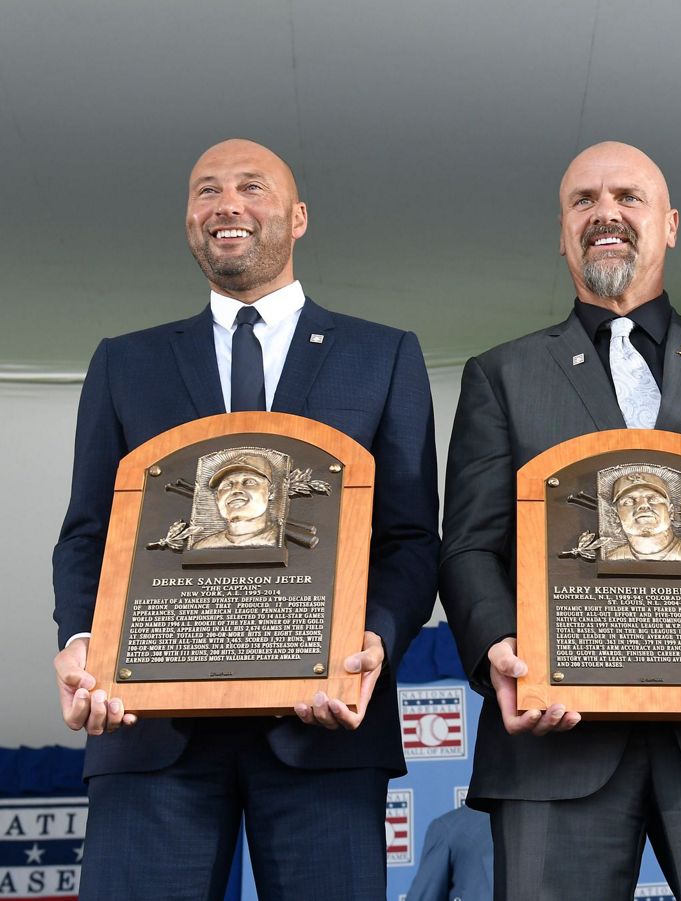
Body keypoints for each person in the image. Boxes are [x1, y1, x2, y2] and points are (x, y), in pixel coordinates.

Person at [439, 141, 681, 901]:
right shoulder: (502, 375)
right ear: (562, 232)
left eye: (628, 197)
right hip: (557, 745)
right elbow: (468, 545)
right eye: (583, 202)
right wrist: (501, 648)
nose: (606, 215)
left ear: (671, 224)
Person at [51, 139, 439, 901]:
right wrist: (81, 643)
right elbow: (88, 534)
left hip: (324, 730)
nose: (226, 205)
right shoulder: (124, 363)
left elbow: (408, 539)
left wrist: (375, 640)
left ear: (297, 218)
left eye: (250, 188)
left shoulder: (382, 356)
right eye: (206, 192)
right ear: (189, 222)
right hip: (147, 731)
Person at [189, 452, 282, 550]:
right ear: (217, 497)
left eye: (249, 482)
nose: (235, 490)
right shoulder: (202, 547)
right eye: (227, 485)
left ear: (271, 492)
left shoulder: (280, 540)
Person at [604, 470, 681, 561]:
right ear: (616, 516)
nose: (643, 505)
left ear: (671, 512)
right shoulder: (612, 558)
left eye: (653, 499)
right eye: (629, 501)